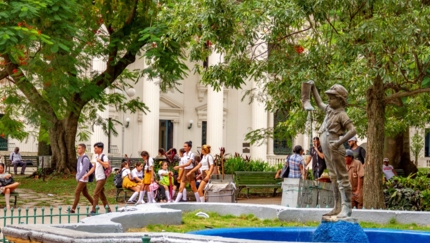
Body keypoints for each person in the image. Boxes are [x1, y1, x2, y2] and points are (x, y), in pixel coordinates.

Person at [307, 81, 357, 218]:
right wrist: (313, 88)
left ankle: (346, 207)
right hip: (327, 148)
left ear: (340, 100)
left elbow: (353, 130)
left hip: (335, 148)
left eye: (332, 98)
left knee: (342, 178)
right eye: (328, 97)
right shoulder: (329, 111)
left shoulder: (342, 114)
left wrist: (339, 142)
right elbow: (318, 103)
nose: (329, 100)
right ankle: (337, 206)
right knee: (333, 177)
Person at [84, 142, 111, 215]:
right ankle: (108, 210)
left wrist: (100, 161)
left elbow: (106, 165)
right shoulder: (98, 157)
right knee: (101, 195)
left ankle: (93, 211)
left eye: (95, 148)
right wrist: (87, 174)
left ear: (100, 149)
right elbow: (94, 167)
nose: (94, 150)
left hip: (102, 178)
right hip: (98, 178)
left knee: (96, 193)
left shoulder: (103, 156)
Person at [70, 144, 93, 213]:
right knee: (85, 194)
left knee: (77, 192)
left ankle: (73, 209)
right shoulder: (79, 157)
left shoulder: (85, 158)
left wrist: (79, 177)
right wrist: (77, 175)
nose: (77, 149)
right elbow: (78, 168)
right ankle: (95, 204)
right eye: (77, 148)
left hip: (84, 178)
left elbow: (84, 170)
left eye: (79, 148)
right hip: (80, 178)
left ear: (83, 149)